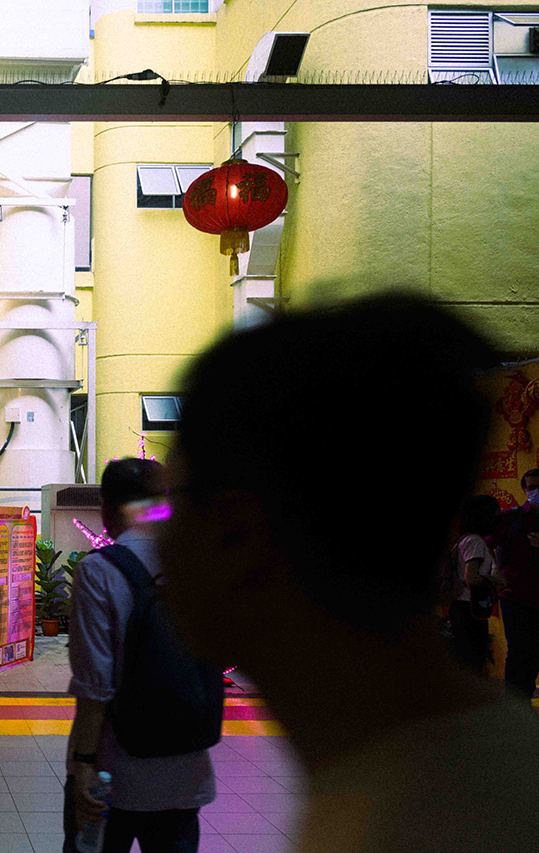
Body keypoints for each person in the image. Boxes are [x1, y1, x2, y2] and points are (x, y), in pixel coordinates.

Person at [157, 294, 539, 851]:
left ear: (236, 534)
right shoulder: (470, 767)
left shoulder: (414, 822)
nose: (159, 541)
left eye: (169, 504)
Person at [63, 459, 216, 853]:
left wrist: (82, 764)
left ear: (106, 506)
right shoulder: (198, 567)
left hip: (112, 775)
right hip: (186, 774)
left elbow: (95, 686)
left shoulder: (98, 570)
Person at [490, 467, 539, 699]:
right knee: (519, 651)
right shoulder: (512, 517)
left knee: (535, 653)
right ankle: (512, 705)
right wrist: (495, 574)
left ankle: (525, 700)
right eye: (533, 487)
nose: (537, 491)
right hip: (515, 597)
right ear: (524, 489)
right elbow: (484, 543)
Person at [447, 495, 505, 673]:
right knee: (473, 663)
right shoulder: (475, 541)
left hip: (461, 607)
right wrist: (495, 581)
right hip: (469, 609)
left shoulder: (463, 539)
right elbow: (471, 578)